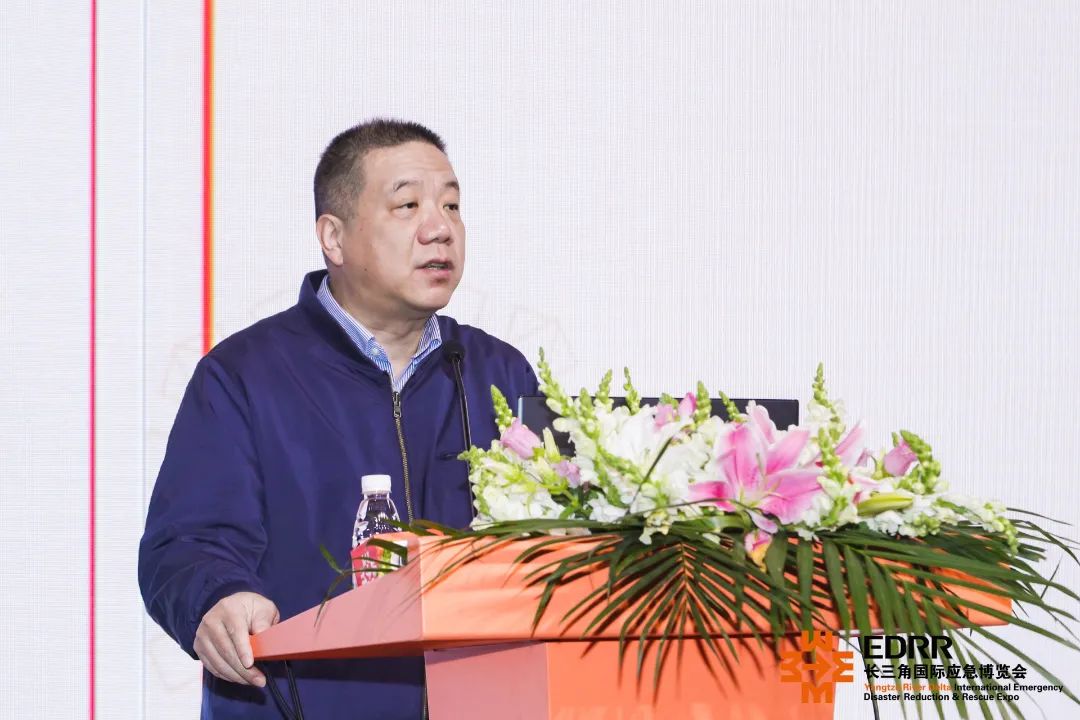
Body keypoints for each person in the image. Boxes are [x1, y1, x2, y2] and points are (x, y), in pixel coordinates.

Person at [139, 119, 538, 719]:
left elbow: (562, 543)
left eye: (452, 206)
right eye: (408, 205)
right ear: (334, 237)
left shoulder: (498, 373)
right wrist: (218, 598)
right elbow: (186, 545)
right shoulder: (245, 375)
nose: (440, 228)